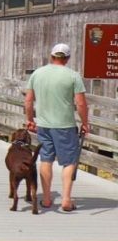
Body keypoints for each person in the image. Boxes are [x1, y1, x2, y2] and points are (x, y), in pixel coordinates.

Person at [25, 43, 89, 212]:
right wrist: (85, 122)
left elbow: (28, 100)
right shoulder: (73, 76)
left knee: (46, 159)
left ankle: (46, 199)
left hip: (43, 125)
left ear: (51, 56)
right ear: (67, 58)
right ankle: (66, 200)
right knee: (69, 162)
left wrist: (30, 119)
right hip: (65, 125)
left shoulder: (37, 73)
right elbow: (81, 103)